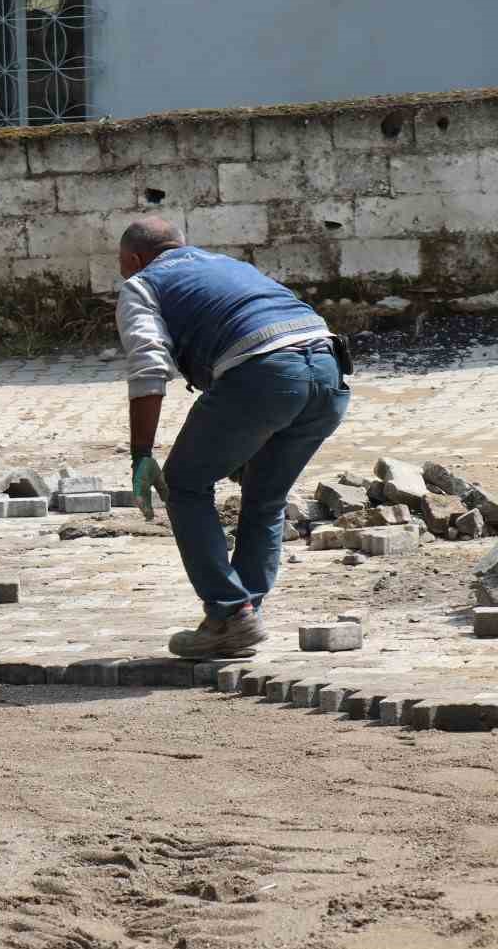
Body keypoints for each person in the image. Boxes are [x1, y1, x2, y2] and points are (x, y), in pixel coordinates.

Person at [117, 216, 351, 659]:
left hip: (265, 375)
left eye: (122, 265)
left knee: (184, 485)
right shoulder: (227, 264)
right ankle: (239, 617)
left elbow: (148, 368)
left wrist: (141, 453)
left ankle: (228, 613)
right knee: (265, 497)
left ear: (133, 258)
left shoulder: (142, 285)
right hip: (329, 370)